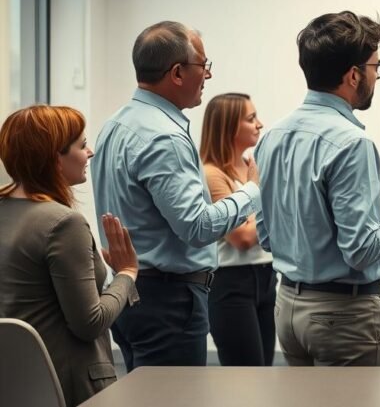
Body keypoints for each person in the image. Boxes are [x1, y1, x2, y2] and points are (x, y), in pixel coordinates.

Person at [256, 11, 380, 367]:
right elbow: (361, 251)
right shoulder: (351, 144)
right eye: (375, 68)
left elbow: (267, 237)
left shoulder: (272, 137)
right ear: (353, 75)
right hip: (341, 316)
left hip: (286, 308)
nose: (376, 77)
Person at [91, 21, 261, 370]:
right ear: (178, 73)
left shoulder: (115, 125)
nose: (208, 76)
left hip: (130, 292)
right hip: (167, 300)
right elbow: (197, 227)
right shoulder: (164, 136)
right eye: (204, 66)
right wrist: (252, 192)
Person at [0, 106, 139, 406]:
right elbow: (90, 322)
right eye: (80, 145)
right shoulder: (64, 223)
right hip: (66, 386)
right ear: (55, 159)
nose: (89, 152)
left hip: (13, 383)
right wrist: (126, 274)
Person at [200, 93, 276, 366]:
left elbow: (252, 227)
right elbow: (241, 238)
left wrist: (258, 218)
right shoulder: (211, 174)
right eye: (251, 118)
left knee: (264, 369)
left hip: (267, 277)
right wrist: (272, 214)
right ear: (229, 125)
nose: (260, 124)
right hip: (231, 283)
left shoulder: (251, 166)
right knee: (246, 373)